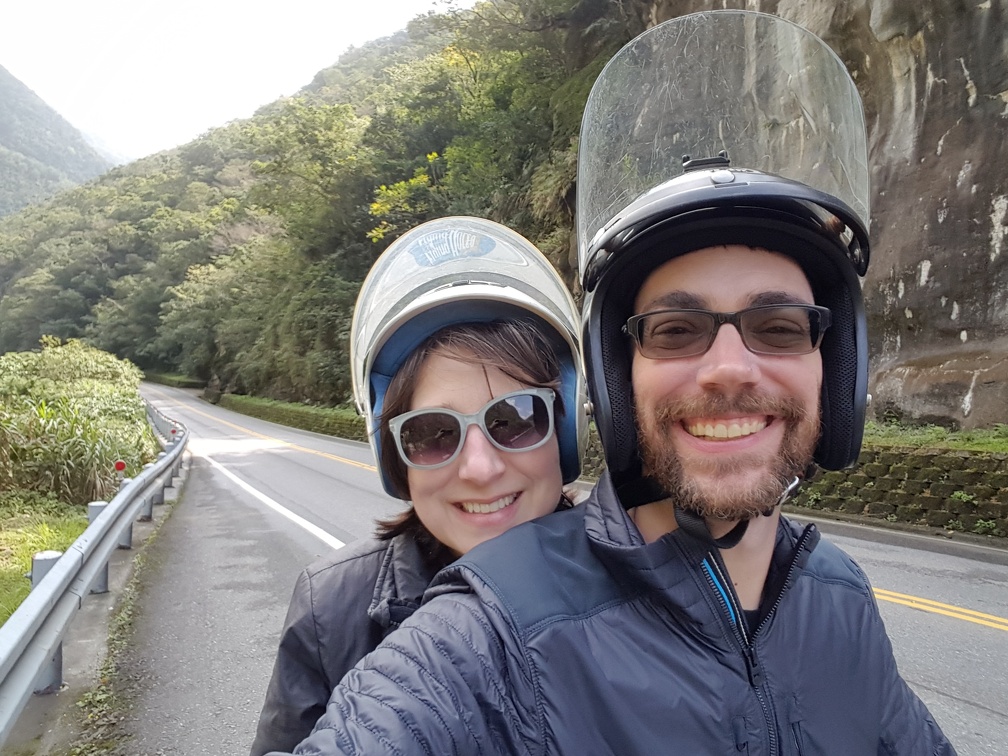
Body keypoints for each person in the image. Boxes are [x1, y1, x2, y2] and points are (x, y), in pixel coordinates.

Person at [269, 11, 955, 755]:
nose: (729, 366)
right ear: (618, 382)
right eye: (674, 330)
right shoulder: (493, 626)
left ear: (839, 365)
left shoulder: (841, 597)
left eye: (780, 326)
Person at [249, 216, 587, 754]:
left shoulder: (645, 575)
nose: (480, 468)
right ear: (395, 457)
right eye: (432, 433)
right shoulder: (332, 607)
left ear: (568, 429)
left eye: (515, 418)